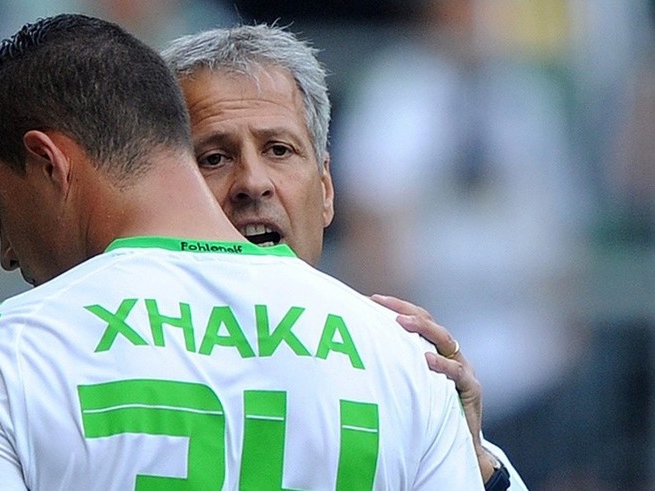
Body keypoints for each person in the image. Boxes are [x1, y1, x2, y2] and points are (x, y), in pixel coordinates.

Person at [0, 13, 481, 490]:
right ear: (173, 159)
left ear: (50, 163)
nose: (4, 251)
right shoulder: (406, 361)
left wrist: (480, 460)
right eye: (214, 156)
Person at [161, 24, 524, 490]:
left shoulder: (409, 376)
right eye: (214, 157)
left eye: (279, 150)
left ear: (327, 190)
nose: (253, 182)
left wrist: (468, 459)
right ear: (164, 189)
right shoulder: (78, 349)